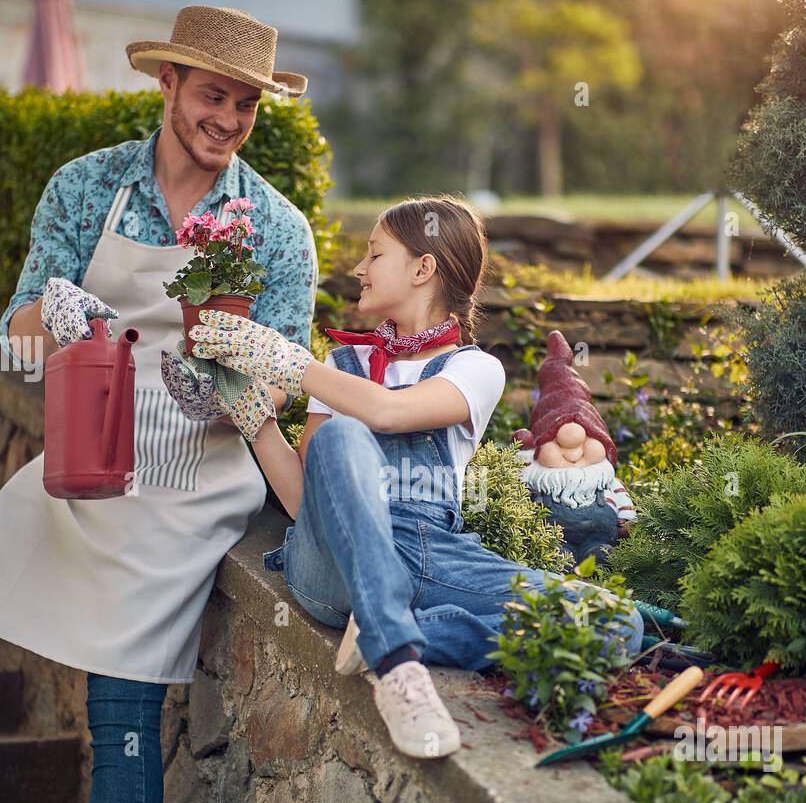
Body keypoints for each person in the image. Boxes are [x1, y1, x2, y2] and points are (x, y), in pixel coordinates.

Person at [0, 5, 316, 803]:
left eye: (244, 102)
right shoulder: (87, 186)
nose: (226, 116)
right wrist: (52, 317)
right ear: (169, 84)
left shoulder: (273, 228)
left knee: (119, 708)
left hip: (190, 485)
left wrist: (221, 360)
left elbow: (287, 387)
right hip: (86, 460)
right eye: (211, 93)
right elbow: (14, 341)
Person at [184, 194, 645, 760]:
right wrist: (259, 424)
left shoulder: (474, 369)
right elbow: (308, 501)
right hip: (330, 562)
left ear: (423, 268)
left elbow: (390, 411)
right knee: (339, 437)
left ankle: (399, 628)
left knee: (615, 620)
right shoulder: (340, 367)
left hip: (429, 551)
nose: (359, 268)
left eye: (374, 254)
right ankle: (401, 663)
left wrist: (289, 364)